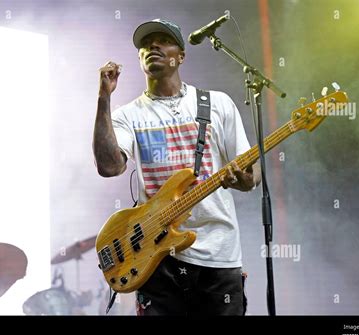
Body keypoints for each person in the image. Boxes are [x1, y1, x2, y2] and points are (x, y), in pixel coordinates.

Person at [93, 18, 261, 315]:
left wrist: (242, 179)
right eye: (145, 44)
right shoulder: (128, 115)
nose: (152, 46)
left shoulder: (217, 104)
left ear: (180, 56)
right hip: (156, 260)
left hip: (218, 256)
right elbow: (108, 167)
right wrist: (104, 97)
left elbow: (252, 176)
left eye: (162, 40)